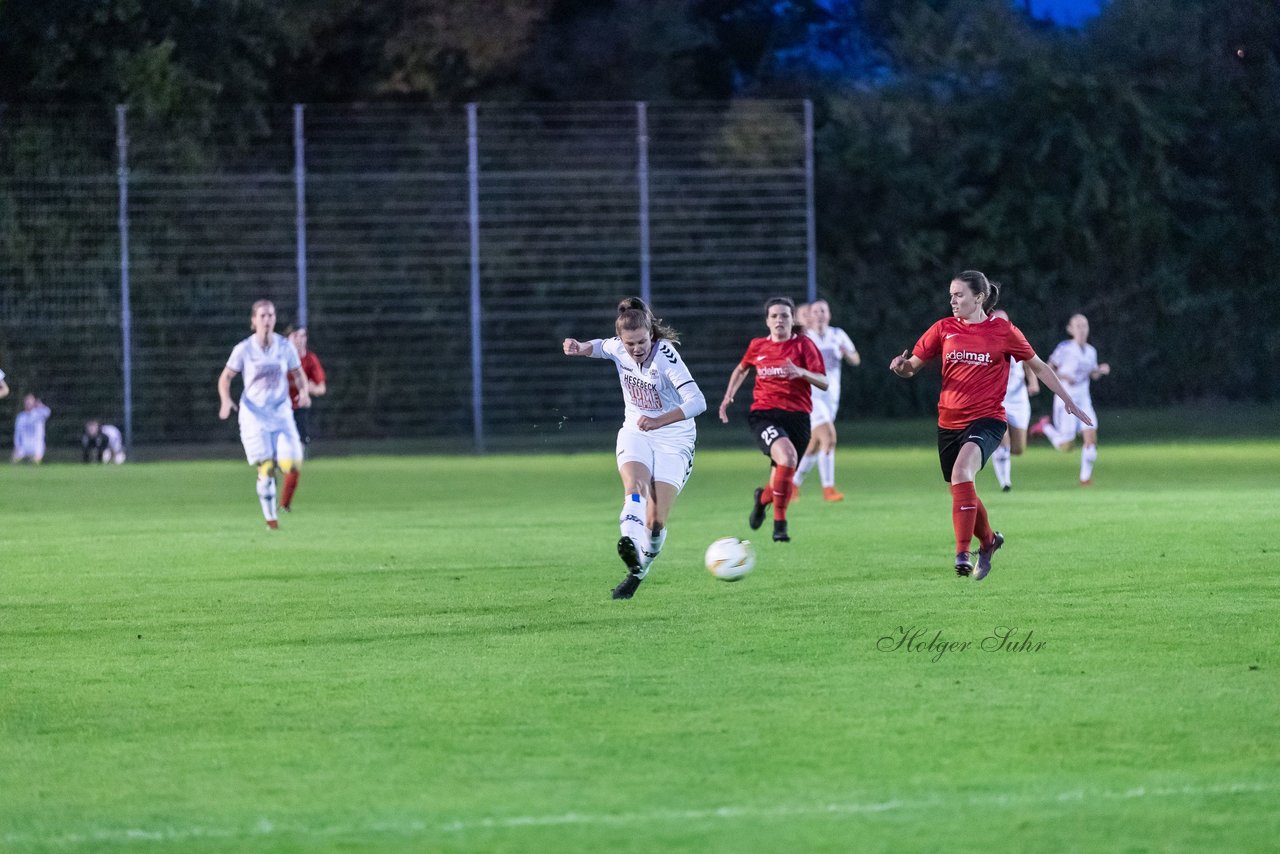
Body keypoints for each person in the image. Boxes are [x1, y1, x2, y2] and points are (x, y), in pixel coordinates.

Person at [889, 271, 1090, 580]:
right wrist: (901, 369)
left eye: (959, 295)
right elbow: (912, 367)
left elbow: (1039, 366)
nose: (952, 301)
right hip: (948, 422)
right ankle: (989, 541)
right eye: (951, 295)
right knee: (959, 487)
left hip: (988, 419)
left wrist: (1067, 400)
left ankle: (961, 553)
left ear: (979, 297)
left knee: (960, 474)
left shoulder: (1003, 331)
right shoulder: (943, 329)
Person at [563, 297, 706, 600]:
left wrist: (660, 421)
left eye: (641, 341)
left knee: (655, 523)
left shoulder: (666, 356)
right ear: (623, 341)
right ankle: (629, 544)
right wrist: (580, 347)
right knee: (635, 487)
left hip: (675, 439)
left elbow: (698, 402)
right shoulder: (619, 347)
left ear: (651, 334)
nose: (636, 348)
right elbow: (601, 346)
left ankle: (639, 569)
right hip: (636, 432)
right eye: (630, 344)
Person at [719, 296, 828, 543]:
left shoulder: (804, 346)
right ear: (767, 321)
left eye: (785, 315)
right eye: (775, 316)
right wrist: (728, 397)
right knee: (787, 458)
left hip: (798, 419)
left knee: (781, 478)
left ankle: (762, 500)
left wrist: (801, 372)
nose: (780, 320)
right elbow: (742, 368)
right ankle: (780, 524)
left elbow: (824, 382)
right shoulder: (758, 346)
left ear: (792, 320)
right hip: (764, 415)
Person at [217, 300, 310, 529]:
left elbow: (298, 374)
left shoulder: (284, 347)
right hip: (254, 416)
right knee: (266, 468)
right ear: (253, 321)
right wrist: (226, 400)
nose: (267, 320)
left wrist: (305, 392)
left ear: (274, 319)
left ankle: (279, 466)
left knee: (294, 464)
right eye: (262, 316)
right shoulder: (244, 349)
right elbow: (226, 377)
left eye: (270, 315)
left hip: (281, 414)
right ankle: (271, 520)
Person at [791, 298, 861, 501]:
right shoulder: (805, 338)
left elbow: (856, 359)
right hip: (812, 397)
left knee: (814, 444)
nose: (820, 314)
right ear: (810, 317)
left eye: (823, 310)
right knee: (829, 437)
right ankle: (828, 488)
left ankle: (792, 484)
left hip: (831, 397)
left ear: (829, 314)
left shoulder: (837, 335)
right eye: (815, 311)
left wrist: (847, 354)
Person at [1031, 313, 1110, 486]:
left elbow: (1092, 374)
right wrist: (1063, 375)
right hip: (1065, 401)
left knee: (1091, 438)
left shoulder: (1091, 351)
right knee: (1067, 446)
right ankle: (1045, 427)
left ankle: (1085, 479)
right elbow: (1047, 368)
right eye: (1078, 326)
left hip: (1084, 400)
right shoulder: (1065, 348)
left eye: (1085, 325)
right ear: (1070, 329)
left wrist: (1100, 370)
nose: (1082, 329)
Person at [988, 309, 1039, 492]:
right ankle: (1005, 482)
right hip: (996, 400)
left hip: (1018, 400)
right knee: (1003, 439)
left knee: (1018, 449)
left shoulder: (1016, 340)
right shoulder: (984, 344)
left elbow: (1029, 362)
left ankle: (1000, 451)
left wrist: (1032, 383)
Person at [282, 325, 328, 511]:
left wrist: (306, 389)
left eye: (303, 336)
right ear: (287, 338)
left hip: (298, 412)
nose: (300, 339)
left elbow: (321, 388)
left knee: (296, 458)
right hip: (278, 412)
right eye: (296, 335)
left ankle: (285, 504)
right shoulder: (279, 357)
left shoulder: (310, 360)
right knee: (271, 458)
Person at [13, 394, 51, 464]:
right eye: (27, 402)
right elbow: (17, 432)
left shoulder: (39, 414)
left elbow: (48, 412)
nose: (29, 404)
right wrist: (17, 445)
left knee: (34, 463)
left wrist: (40, 405)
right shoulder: (21, 416)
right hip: (24, 445)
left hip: (37, 444)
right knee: (15, 462)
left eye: (30, 402)